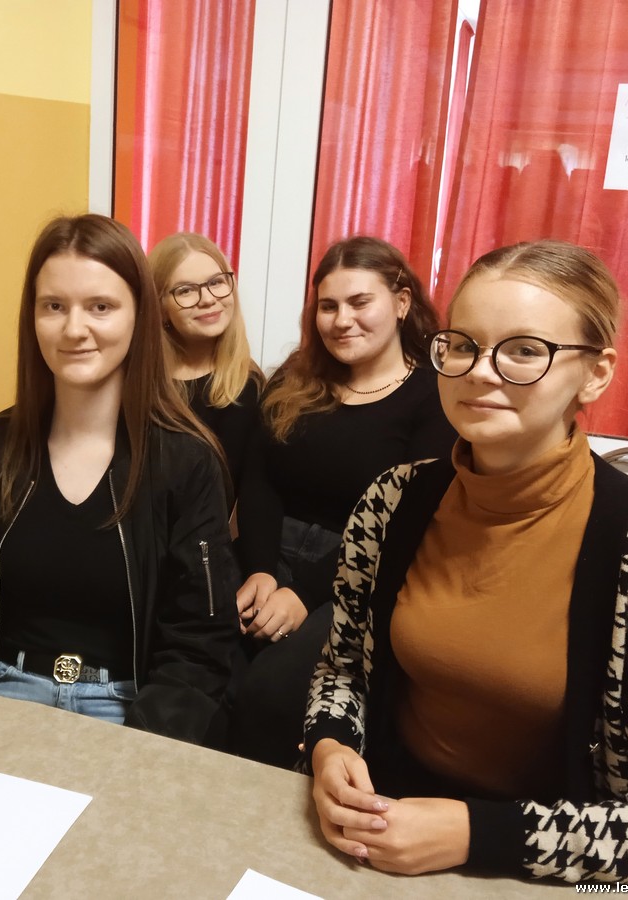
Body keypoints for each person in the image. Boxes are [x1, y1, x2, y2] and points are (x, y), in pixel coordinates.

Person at [306, 240, 628, 882]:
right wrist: (330, 744)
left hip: (551, 859)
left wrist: (477, 834)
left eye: (523, 350)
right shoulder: (392, 502)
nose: (480, 372)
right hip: (384, 830)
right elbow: (344, 664)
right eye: (463, 345)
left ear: (595, 373)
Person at [0, 214, 240, 744]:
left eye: (100, 307)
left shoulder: (187, 463)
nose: (74, 329)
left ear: (140, 317)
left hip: (130, 712)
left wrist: (134, 751)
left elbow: (200, 646)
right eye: (54, 306)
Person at [229, 236, 456, 767]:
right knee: (203, 661)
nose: (341, 320)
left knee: (272, 691)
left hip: (363, 575)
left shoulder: (434, 397)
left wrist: (303, 593)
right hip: (269, 551)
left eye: (359, 302)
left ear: (401, 303)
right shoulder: (296, 377)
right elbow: (259, 480)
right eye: (328, 306)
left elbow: (405, 522)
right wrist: (260, 570)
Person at [149, 231, 264, 498]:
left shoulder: (251, 386)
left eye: (216, 282)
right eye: (186, 290)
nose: (208, 299)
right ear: (160, 307)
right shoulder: (139, 384)